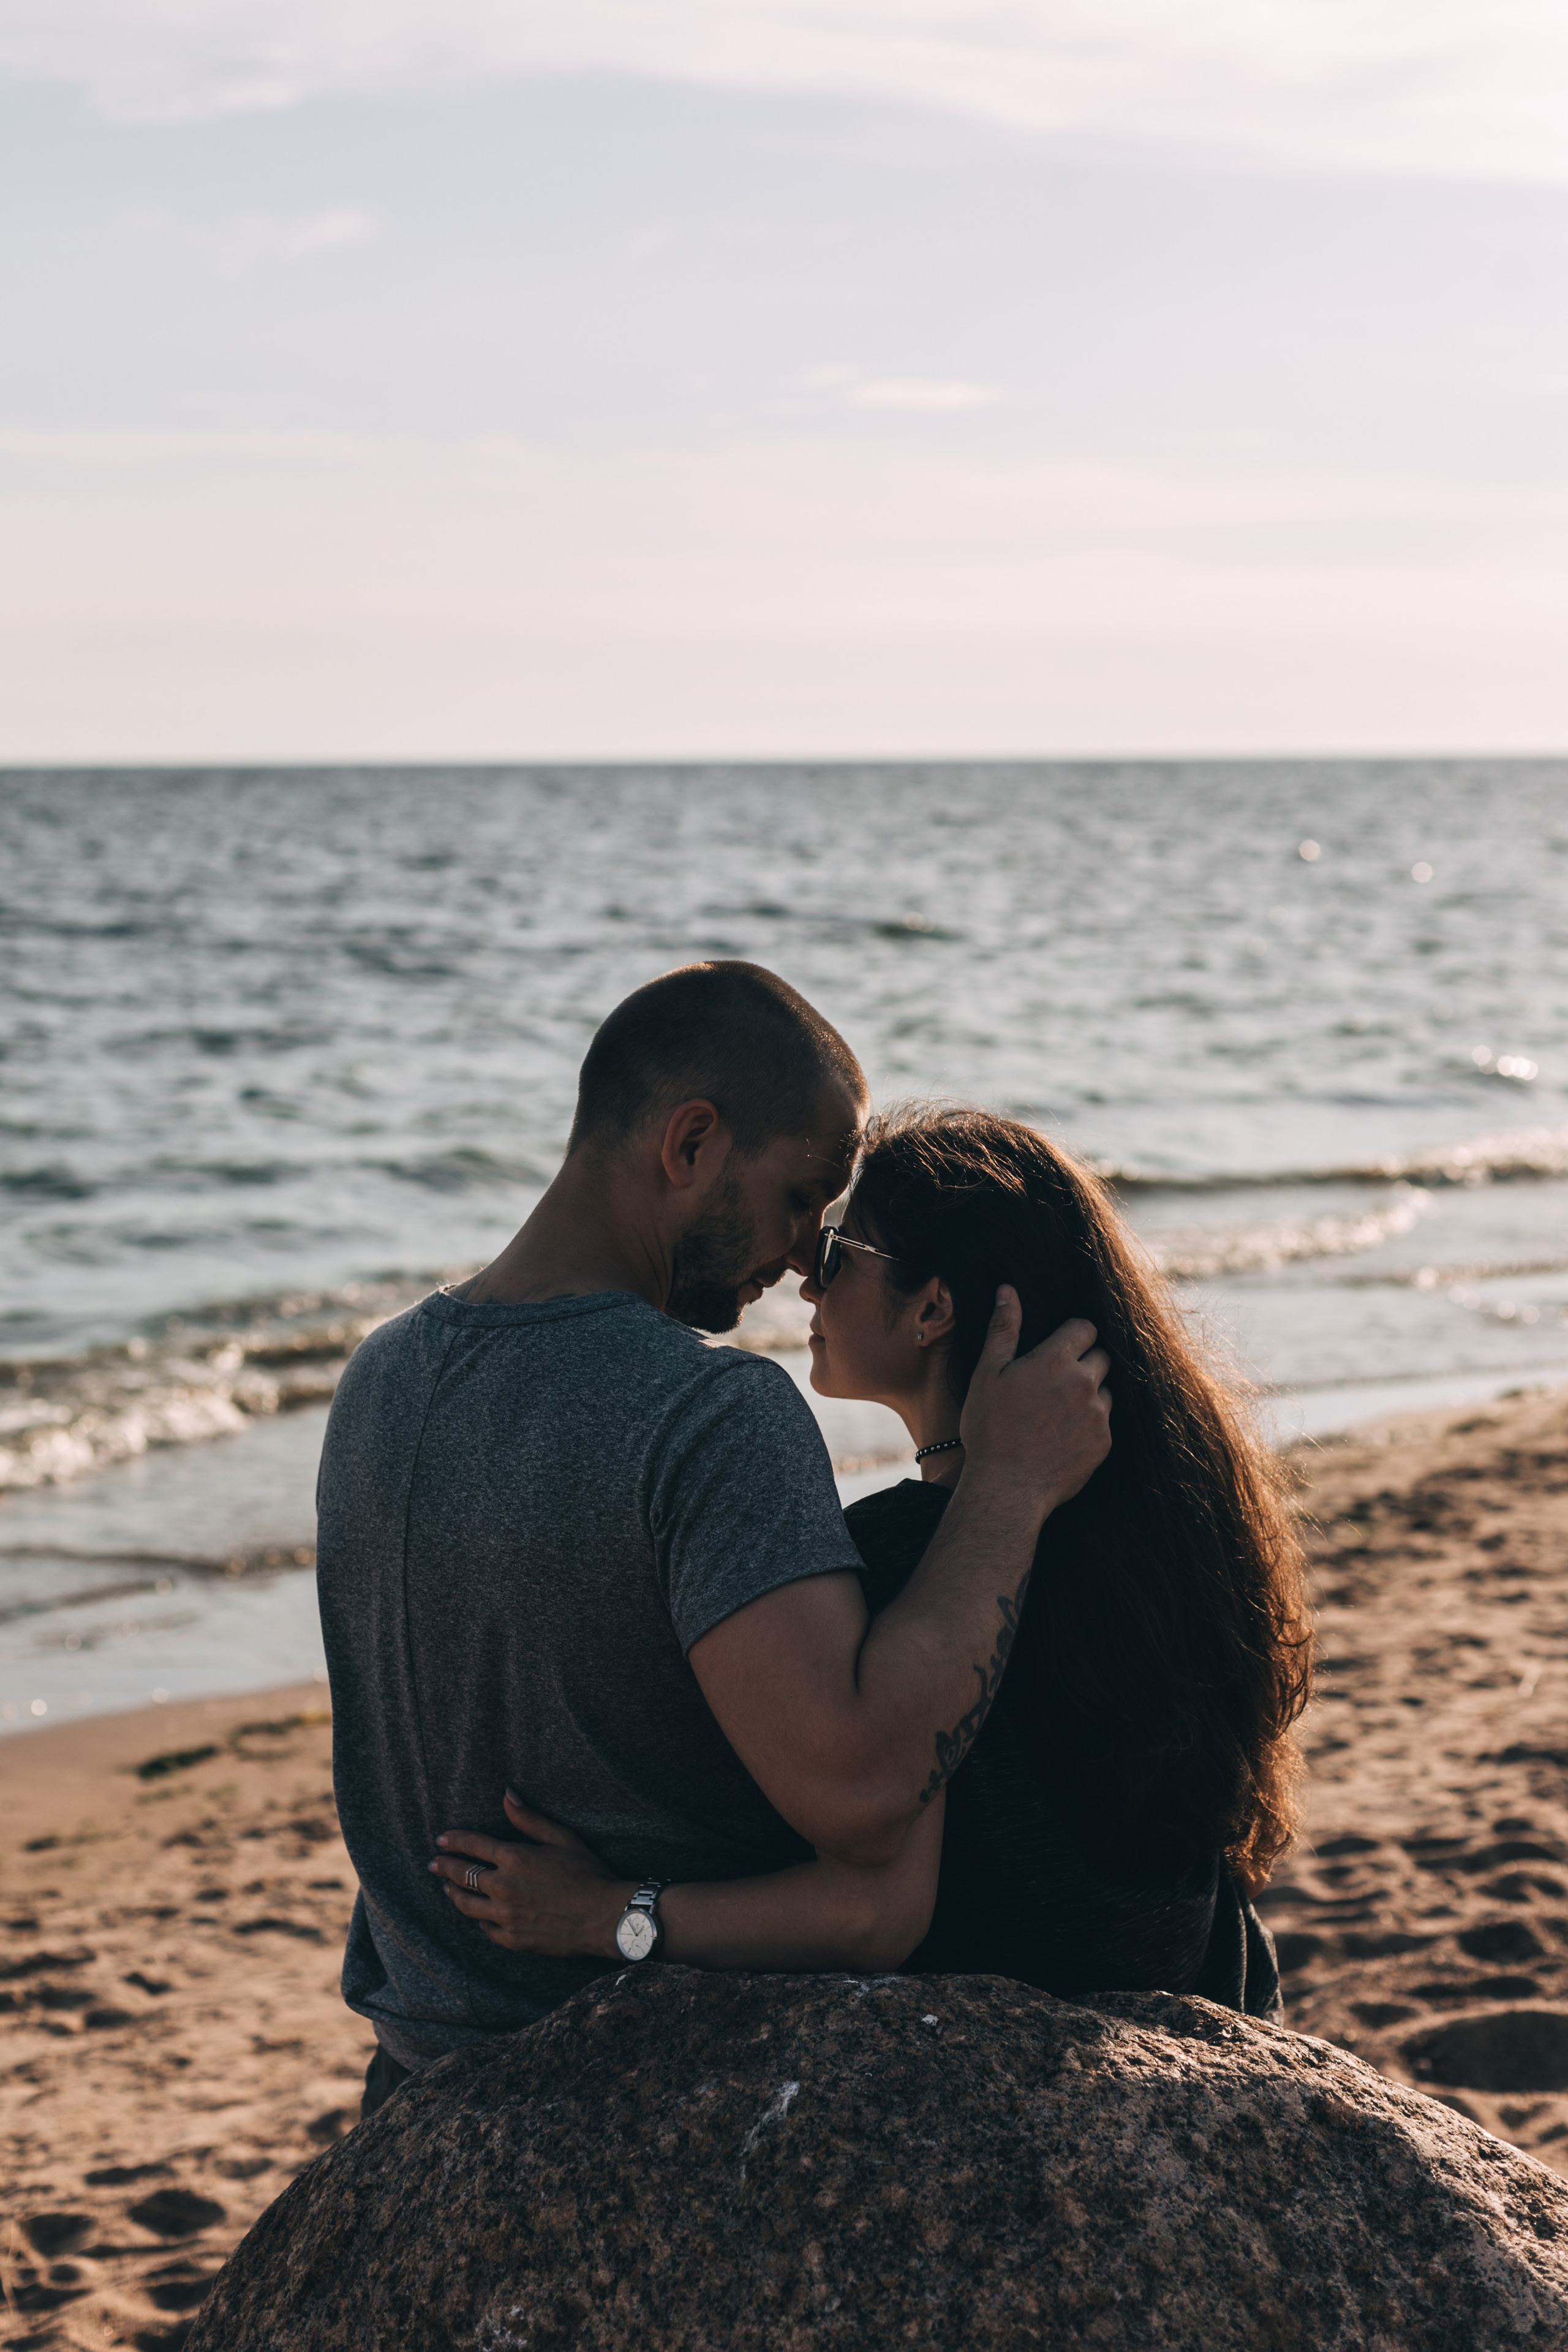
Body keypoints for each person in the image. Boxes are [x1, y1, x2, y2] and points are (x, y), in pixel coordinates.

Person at [317, 970, 1112, 2118]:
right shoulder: (707, 1415)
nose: (802, 1259)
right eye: (801, 1198)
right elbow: (867, 1790)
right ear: (691, 1143)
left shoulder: (374, 1377)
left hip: (415, 2089)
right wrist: (1006, 1487)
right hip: (654, 2090)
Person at [430, 1107, 1310, 2018]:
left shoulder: (901, 1559)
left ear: (932, 1309)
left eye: (841, 1251)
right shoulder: (1165, 1521)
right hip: (1207, 2009)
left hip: (1015, 2059)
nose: (807, 1281)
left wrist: (607, 1915)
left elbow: (867, 1916)